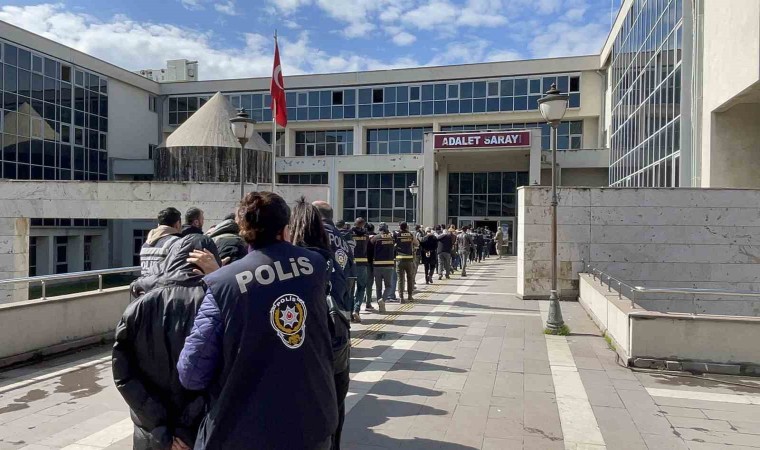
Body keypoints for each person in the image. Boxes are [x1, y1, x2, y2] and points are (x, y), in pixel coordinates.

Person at [177, 192, 338, 450]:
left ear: (243, 230)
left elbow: (191, 372)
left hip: (242, 431)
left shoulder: (223, 283)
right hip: (313, 422)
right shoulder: (316, 265)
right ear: (285, 229)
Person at [113, 234, 221, 450]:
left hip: (150, 435)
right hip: (199, 433)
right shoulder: (218, 304)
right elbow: (223, 375)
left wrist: (161, 429)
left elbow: (124, 375)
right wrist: (185, 430)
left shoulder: (139, 307)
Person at [292, 200, 351, 450]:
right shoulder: (343, 241)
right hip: (338, 324)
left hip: (306, 334)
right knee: (335, 399)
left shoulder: (296, 254)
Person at [139, 207, 182, 277]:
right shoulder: (176, 242)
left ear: (159, 225)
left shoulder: (145, 245)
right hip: (164, 283)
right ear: (177, 224)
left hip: (145, 283)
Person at [369, 222, 395, 313]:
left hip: (377, 265)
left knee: (378, 287)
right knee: (388, 286)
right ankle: (383, 300)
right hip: (389, 265)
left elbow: (370, 250)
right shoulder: (392, 238)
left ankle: (380, 307)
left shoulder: (375, 238)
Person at [350, 218, 371, 322]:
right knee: (361, 288)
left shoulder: (349, 234)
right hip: (362, 264)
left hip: (351, 264)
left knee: (350, 289)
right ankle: (356, 309)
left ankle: (349, 313)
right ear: (363, 225)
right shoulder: (366, 235)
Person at [393, 221, 418, 303]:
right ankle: (410, 296)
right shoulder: (410, 234)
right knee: (410, 278)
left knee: (400, 279)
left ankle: (401, 297)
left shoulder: (397, 235)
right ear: (406, 227)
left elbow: (393, 245)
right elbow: (417, 243)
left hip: (399, 259)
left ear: (399, 227)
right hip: (409, 259)